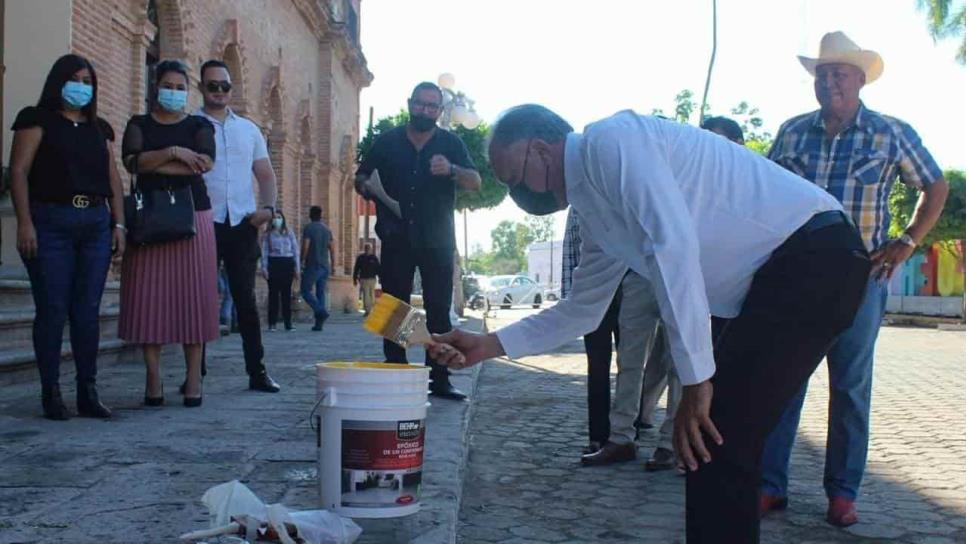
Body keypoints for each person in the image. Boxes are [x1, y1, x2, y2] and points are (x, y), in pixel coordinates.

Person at [429, 104, 872, 543]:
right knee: (714, 440)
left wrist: (698, 382)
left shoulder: (610, 141)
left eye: (513, 179)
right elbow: (583, 309)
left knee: (713, 434)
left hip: (817, 257)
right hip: (790, 274)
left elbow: (673, 247)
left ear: (542, 151)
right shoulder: (594, 205)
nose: (516, 196)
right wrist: (488, 344)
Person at [759, 31, 948, 527]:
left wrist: (907, 240)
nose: (829, 82)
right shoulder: (792, 133)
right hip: (797, 276)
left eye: (839, 73)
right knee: (784, 380)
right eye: (822, 75)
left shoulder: (890, 133)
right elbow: (762, 193)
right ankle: (768, 486)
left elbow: (935, 184)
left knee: (850, 387)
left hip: (861, 277)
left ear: (860, 80)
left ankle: (842, 494)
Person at [9, 54, 125, 420]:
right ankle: (51, 391)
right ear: (59, 81)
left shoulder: (99, 129)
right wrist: (24, 222)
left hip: (94, 222)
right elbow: (18, 171)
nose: (81, 86)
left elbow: (113, 180)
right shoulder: (36, 120)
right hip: (50, 221)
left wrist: (118, 225)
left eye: (87, 80)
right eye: (75, 78)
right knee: (53, 309)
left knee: (87, 312)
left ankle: (88, 391)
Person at [354, 82, 482, 400]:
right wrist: (365, 186)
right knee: (394, 306)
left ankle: (439, 379)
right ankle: (395, 369)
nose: (425, 110)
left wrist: (451, 169)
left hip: (437, 239)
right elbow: (361, 175)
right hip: (395, 236)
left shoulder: (450, 143)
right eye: (420, 104)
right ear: (410, 104)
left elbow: (476, 181)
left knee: (439, 310)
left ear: (439, 111)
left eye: (432, 106)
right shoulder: (386, 142)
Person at [635, 115, 747, 471]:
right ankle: (670, 443)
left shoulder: (748, 192)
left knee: (711, 376)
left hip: (731, 301)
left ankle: (696, 446)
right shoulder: (682, 182)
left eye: (720, 143)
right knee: (677, 365)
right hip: (687, 295)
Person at [118, 60, 219, 408]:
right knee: (148, 297)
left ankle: (193, 379)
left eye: (180, 87)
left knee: (195, 297)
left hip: (194, 217)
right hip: (149, 220)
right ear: (155, 86)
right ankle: (153, 377)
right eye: (168, 85)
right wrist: (175, 152)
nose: (173, 92)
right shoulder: (138, 123)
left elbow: (204, 162)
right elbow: (132, 162)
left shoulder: (199, 125)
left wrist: (154, 159)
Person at [195, 59, 280, 393]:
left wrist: (268, 209)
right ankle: (195, 372)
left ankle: (256, 371)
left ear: (231, 90)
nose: (218, 91)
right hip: (203, 222)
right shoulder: (190, 126)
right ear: (201, 87)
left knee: (245, 299)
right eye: (212, 85)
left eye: (224, 86)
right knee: (200, 298)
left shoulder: (249, 130)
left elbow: (266, 174)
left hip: (242, 224)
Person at [561, 208, 622, 456]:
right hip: (592, 298)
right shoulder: (577, 207)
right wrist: (570, 302)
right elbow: (570, 253)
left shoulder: (621, 195)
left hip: (628, 292)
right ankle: (598, 436)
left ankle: (626, 431)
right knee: (597, 366)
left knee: (631, 365)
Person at [261, 210, 300, 332]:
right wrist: (264, 268)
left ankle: (288, 322)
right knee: (273, 294)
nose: (277, 220)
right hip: (274, 263)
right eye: (275, 218)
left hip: (287, 263)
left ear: (283, 219)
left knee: (286, 294)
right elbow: (264, 252)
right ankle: (272, 323)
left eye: (279, 217)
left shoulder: (289, 233)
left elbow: (295, 251)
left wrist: (297, 268)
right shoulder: (268, 234)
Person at [301, 205, 335, 331]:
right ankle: (318, 324)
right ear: (321, 215)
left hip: (312, 265)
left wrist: (302, 260)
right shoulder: (327, 230)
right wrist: (333, 264)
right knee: (320, 293)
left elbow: (306, 246)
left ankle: (321, 311)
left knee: (305, 290)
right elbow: (332, 248)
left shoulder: (309, 228)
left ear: (311, 215)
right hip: (325, 265)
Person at [352, 243, 380, 316]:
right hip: (364, 279)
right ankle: (368, 310)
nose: (367, 249)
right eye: (367, 248)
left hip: (371, 279)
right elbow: (356, 269)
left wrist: (380, 277)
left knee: (370, 294)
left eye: (368, 248)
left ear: (370, 249)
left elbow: (378, 269)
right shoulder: (362, 258)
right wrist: (354, 279)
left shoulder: (373, 258)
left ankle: (370, 309)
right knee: (367, 294)